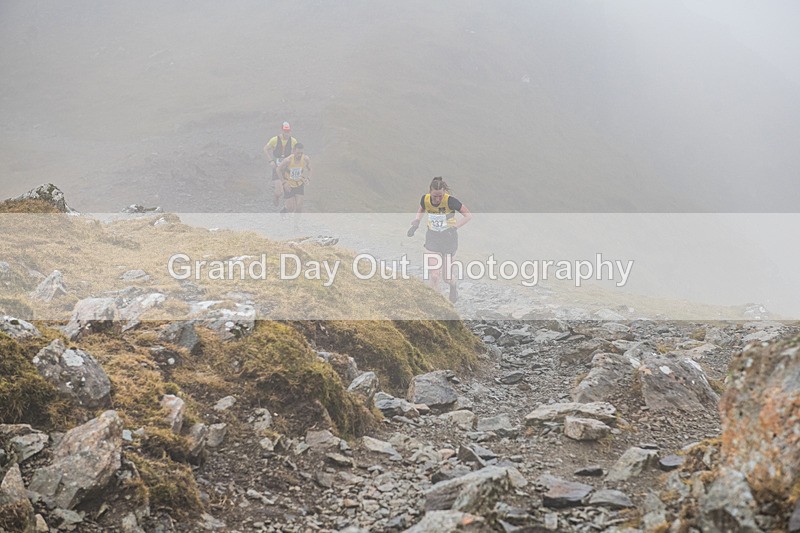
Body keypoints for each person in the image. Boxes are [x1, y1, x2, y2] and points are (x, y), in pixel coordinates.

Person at [407, 177, 472, 302]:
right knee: (435, 275)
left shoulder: (451, 201)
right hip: (433, 238)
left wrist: (454, 228)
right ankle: (436, 303)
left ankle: (453, 287)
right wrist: (416, 222)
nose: (437, 199)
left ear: (444, 193)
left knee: (447, 277)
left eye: (440, 196)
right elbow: (422, 208)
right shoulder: (425, 199)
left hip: (449, 239)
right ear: (430, 192)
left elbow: (468, 215)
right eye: (435, 196)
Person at [263, 122, 299, 206]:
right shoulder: (274, 140)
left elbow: (296, 153)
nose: (287, 133)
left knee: (290, 190)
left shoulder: (293, 141)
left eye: (288, 131)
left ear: (290, 131)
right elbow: (265, 149)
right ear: (282, 130)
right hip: (277, 167)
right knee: (279, 192)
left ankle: (287, 208)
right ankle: (276, 196)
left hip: (287, 168)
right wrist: (270, 161)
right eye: (285, 131)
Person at [276, 143, 312, 217]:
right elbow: (278, 169)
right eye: (298, 153)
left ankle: (296, 226)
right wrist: (283, 183)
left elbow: (310, 169)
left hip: (299, 184)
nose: (299, 155)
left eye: (301, 153)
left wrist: (308, 178)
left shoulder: (305, 159)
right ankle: (285, 210)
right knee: (291, 208)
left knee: (299, 206)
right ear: (293, 151)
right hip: (289, 185)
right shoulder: (288, 160)